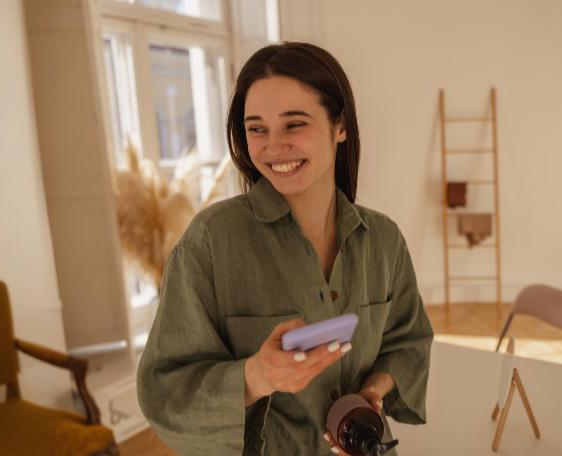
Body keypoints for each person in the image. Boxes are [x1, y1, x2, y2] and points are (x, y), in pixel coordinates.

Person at [137, 42, 434, 455]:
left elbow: (409, 341)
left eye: (294, 124)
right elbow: (163, 392)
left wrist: (372, 392)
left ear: (340, 126)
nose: (273, 147)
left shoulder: (384, 240)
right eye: (257, 128)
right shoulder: (210, 241)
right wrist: (256, 376)